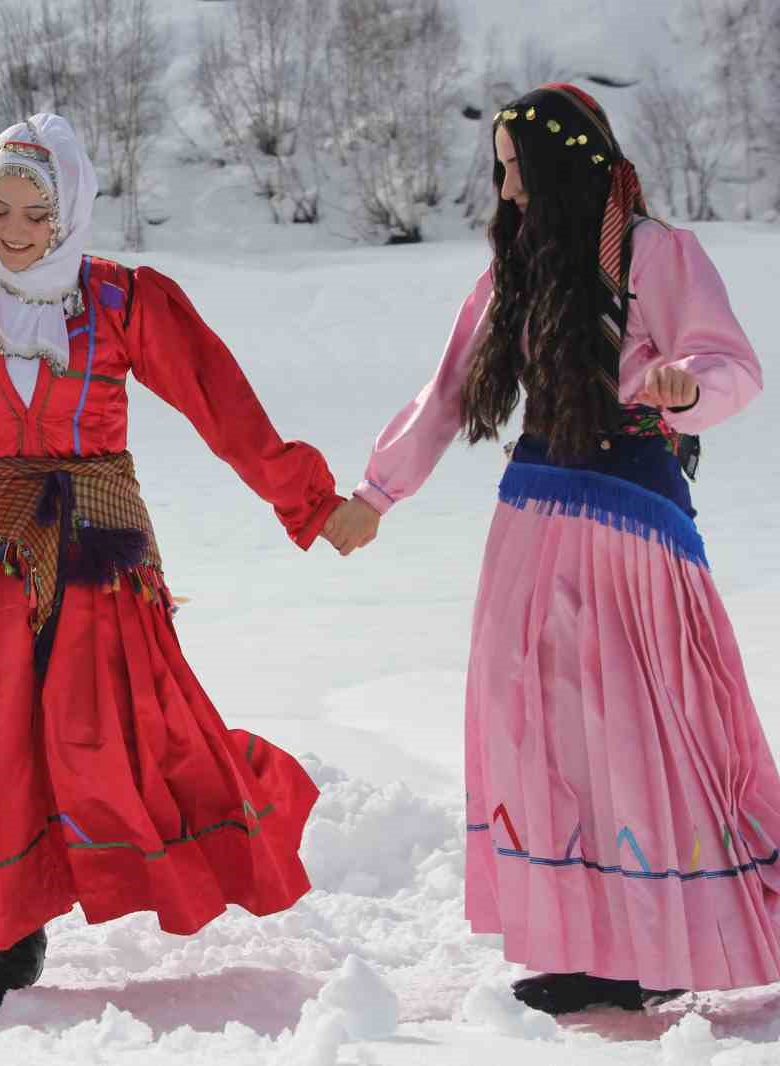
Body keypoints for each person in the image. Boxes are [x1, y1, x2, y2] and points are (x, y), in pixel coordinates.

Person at [0, 114, 339, 1023]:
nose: (13, 230)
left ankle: (212, 836)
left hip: (100, 547)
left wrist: (308, 500)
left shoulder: (126, 302)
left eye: (35, 213)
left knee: (128, 737)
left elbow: (223, 407)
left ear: (73, 213)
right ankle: (16, 934)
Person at [322, 84, 774, 1014]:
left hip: (631, 519)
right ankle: (592, 941)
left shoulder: (655, 254)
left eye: (520, 170)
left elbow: (732, 362)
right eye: (502, 173)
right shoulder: (516, 270)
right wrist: (376, 494)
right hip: (535, 517)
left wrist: (689, 388)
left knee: (636, 724)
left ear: (567, 164)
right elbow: (446, 391)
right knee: (541, 720)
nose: (510, 191)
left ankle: (663, 937)